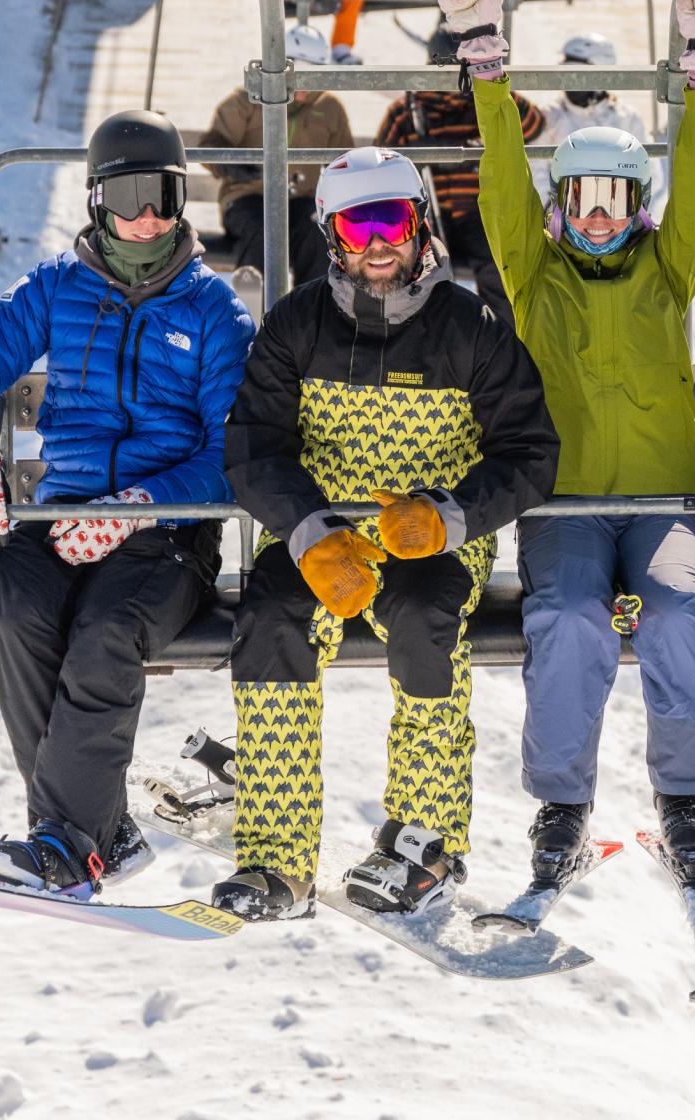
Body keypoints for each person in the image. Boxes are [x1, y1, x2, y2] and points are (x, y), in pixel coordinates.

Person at [437, 0, 695, 893]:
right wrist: (487, 74)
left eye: (615, 200)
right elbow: (499, 187)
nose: (599, 217)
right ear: (562, 208)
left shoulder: (669, 270)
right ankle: (562, 803)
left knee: (679, 615)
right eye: (582, 201)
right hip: (565, 504)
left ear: (635, 207)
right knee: (567, 617)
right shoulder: (537, 277)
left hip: (666, 506)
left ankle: (683, 797)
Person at [213, 146, 558, 921]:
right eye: (356, 225)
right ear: (332, 234)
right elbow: (254, 447)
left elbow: (529, 451)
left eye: (392, 222)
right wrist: (308, 531)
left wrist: (449, 515)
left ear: (421, 224)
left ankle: (423, 842)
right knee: (271, 622)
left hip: (430, 537)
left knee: (424, 621)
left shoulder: (470, 326)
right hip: (322, 535)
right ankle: (277, 859)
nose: (377, 246)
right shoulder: (298, 323)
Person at [0, 111, 254, 897]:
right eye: (132, 195)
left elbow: (232, 453)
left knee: (107, 630)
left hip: (168, 535)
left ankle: (72, 842)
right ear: (97, 202)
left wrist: (142, 504)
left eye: (168, 196)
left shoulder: (215, 313)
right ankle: (88, 830)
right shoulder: (55, 289)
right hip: (63, 512)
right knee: (9, 601)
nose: (150, 217)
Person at [373, 25, 545, 325]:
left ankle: (503, 336)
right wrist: (416, 157)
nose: (453, 84)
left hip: (479, 213)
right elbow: (380, 167)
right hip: (429, 215)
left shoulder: (488, 102)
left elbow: (533, 125)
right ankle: (424, 336)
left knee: (501, 264)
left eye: (459, 70)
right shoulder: (409, 111)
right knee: (416, 268)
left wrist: (468, 149)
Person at [199, 22, 355, 287]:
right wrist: (233, 167)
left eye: (314, 75)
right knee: (261, 231)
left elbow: (344, 162)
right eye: (300, 76)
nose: (306, 86)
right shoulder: (249, 99)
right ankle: (251, 302)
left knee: (318, 230)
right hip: (247, 197)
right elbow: (211, 145)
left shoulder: (328, 108)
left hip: (300, 199)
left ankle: (312, 305)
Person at [537, 32, 652, 206]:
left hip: (620, 213)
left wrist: (635, 213)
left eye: (578, 74)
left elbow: (650, 173)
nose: (571, 82)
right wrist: (553, 213)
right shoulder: (549, 118)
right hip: (567, 214)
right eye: (566, 72)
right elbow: (536, 173)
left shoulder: (626, 119)